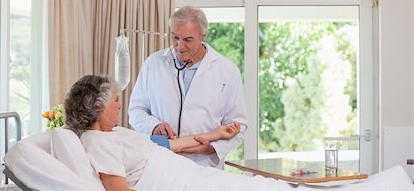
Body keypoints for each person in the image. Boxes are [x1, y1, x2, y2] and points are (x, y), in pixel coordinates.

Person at [64, 75, 414, 191]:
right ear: (96, 107)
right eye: (113, 102)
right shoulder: (97, 143)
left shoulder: (117, 133)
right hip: (176, 181)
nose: (119, 106)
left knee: (267, 186)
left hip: (180, 170)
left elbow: (169, 144)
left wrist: (214, 134)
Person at [128, 6, 247, 168]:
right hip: (160, 164)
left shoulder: (227, 71)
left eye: (188, 39)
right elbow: (135, 110)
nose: (180, 46)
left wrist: (212, 148)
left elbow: (238, 124)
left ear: (203, 36)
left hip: (204, 166)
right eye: (175, 37)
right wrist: (153, 126)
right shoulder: (153, 63)